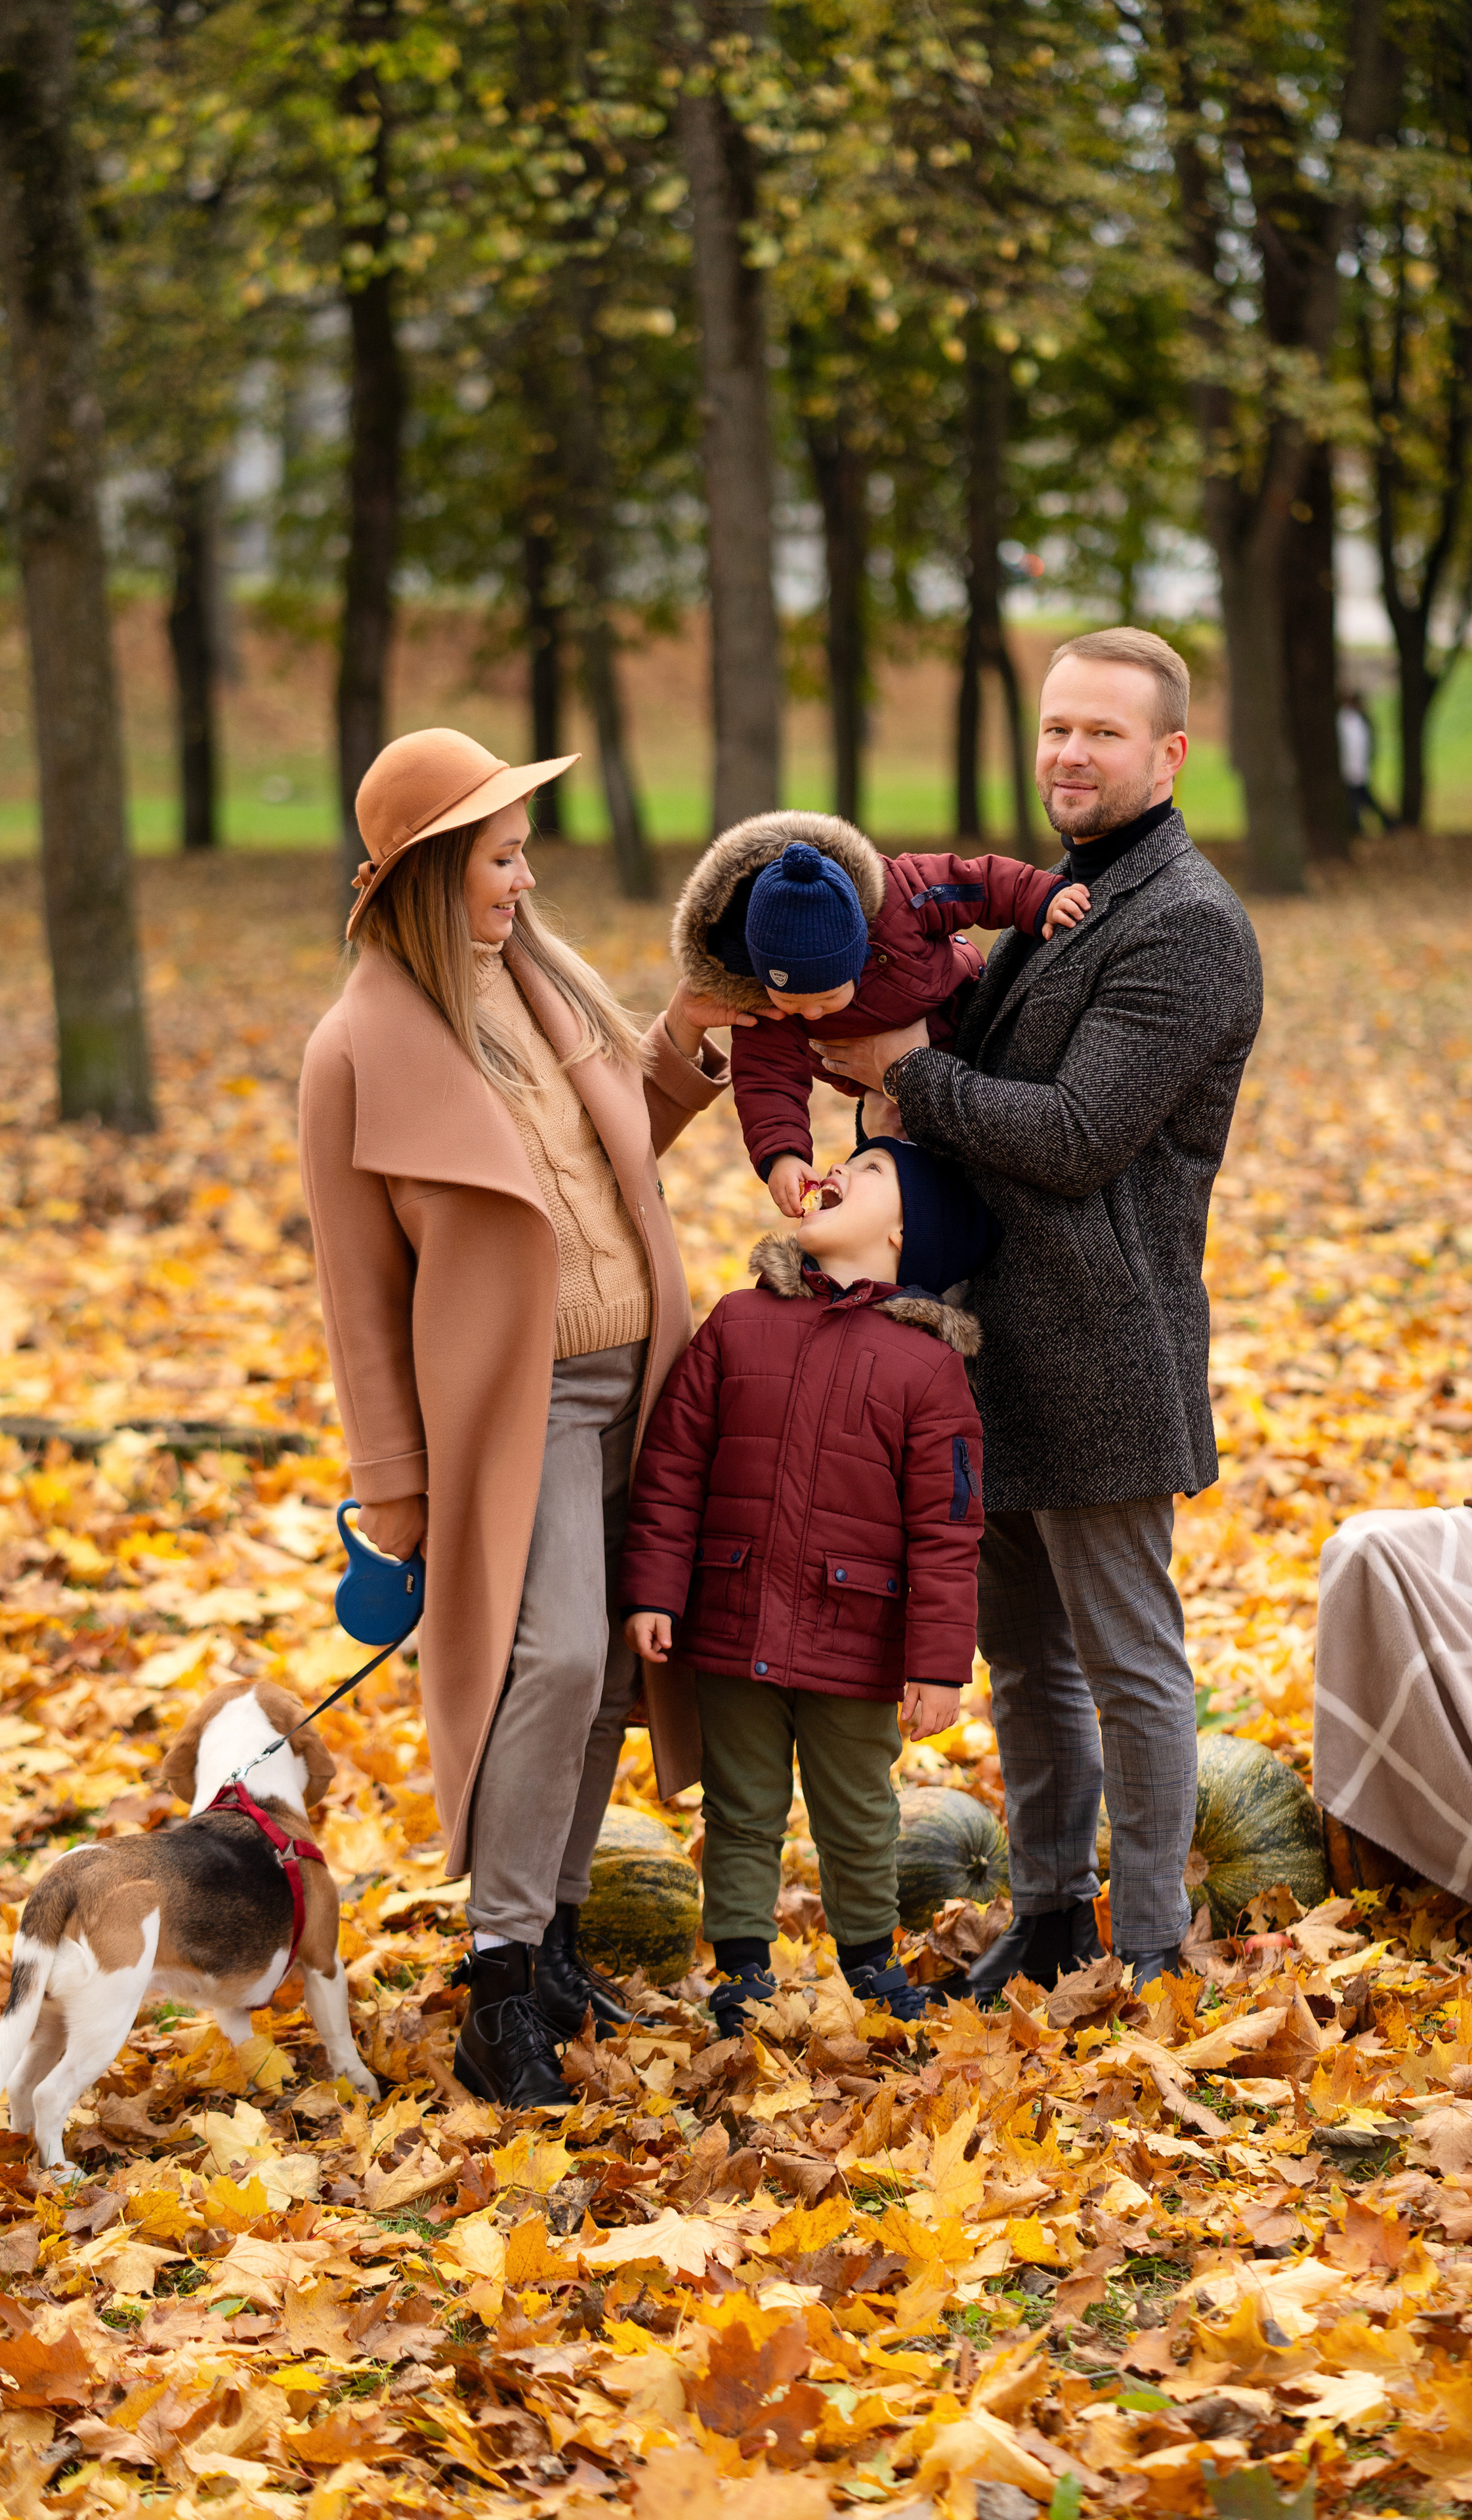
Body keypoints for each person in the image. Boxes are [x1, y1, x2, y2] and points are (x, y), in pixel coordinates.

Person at [298, 726, 746, 2107]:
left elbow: (605, 1172)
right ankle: (499, 1988)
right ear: (434, 870)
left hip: (647, 1379)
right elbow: (360, 1298)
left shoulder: (543, 991)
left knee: (616, 1658)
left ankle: (548, 1941)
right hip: (522, 1409)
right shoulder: (355, 1054)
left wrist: (679, 1048)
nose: (523, 877)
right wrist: (392, 1484)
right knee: (547, 1660)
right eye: (498, 856)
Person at [814, 629, 1263, 1998]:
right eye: (1055, 727)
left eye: (1102, 734)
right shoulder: (1065, 895)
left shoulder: (1184, 925)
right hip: (988, 1335)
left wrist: (900, 1072)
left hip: (1103, 1341)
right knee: (1024, 1660)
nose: (1067, 754)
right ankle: (1053, 1910)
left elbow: (1073, 1135)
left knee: (1127, 1660)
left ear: (1168, 756)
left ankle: (1146, 1948)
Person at [618, 1139, 994, 2034]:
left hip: (855, 1636)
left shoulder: (927, 1368)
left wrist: (937, 1666)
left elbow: (948, 1527)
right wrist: (655, 1591)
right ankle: (742, 1970)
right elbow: (674, 1466)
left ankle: (870, 1959)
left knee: (858, 1810)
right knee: (741, 1806)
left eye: (868, 1172)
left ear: (908, 1231)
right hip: (733, 1616)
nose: (835, 1172)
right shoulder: (739, 1323)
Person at [671, 814, 1089, 1214]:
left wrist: (1041, 898)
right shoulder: (766, 1004)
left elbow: (975, 883)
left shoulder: (902, 897)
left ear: (858, 954)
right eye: (793, 1003)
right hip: (881, 1087)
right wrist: (783, 1154)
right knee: (890, 1150)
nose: (810, 1012)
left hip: (963, 1015)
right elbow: (765, 1077)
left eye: (827, 997)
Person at [1336, 690, 1393, 833]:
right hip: (1354, 769)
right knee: (1362, 799)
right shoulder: (1350, 720)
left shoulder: (1354, 721)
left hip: (1355, 769)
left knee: (1359, 800)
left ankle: (1379, 824)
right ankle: (1386, 823)